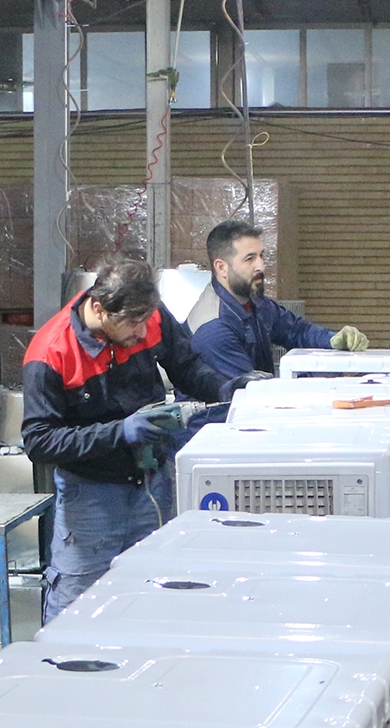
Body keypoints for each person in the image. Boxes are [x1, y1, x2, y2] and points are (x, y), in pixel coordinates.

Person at [22, 255, 234, 621]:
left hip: (152, 484)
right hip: (91, 498)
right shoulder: (51, 353)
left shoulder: (148, 314)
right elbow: (40, 441)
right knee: (76, 607)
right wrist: (120, 432)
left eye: (145, 320)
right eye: (133, 324)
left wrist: (226, 387)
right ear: (100, 309)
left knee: (148, 598)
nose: (141, 331)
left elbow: (185, 365)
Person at [188, 218, 368, 379]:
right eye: (249, 259)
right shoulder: (214, 328)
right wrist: (332, 375)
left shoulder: (254, 302)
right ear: (221, 268)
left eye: (261, 256)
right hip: (226, 406)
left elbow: (296, 331)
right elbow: (251, 390)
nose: (261, 266)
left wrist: (332, 340)